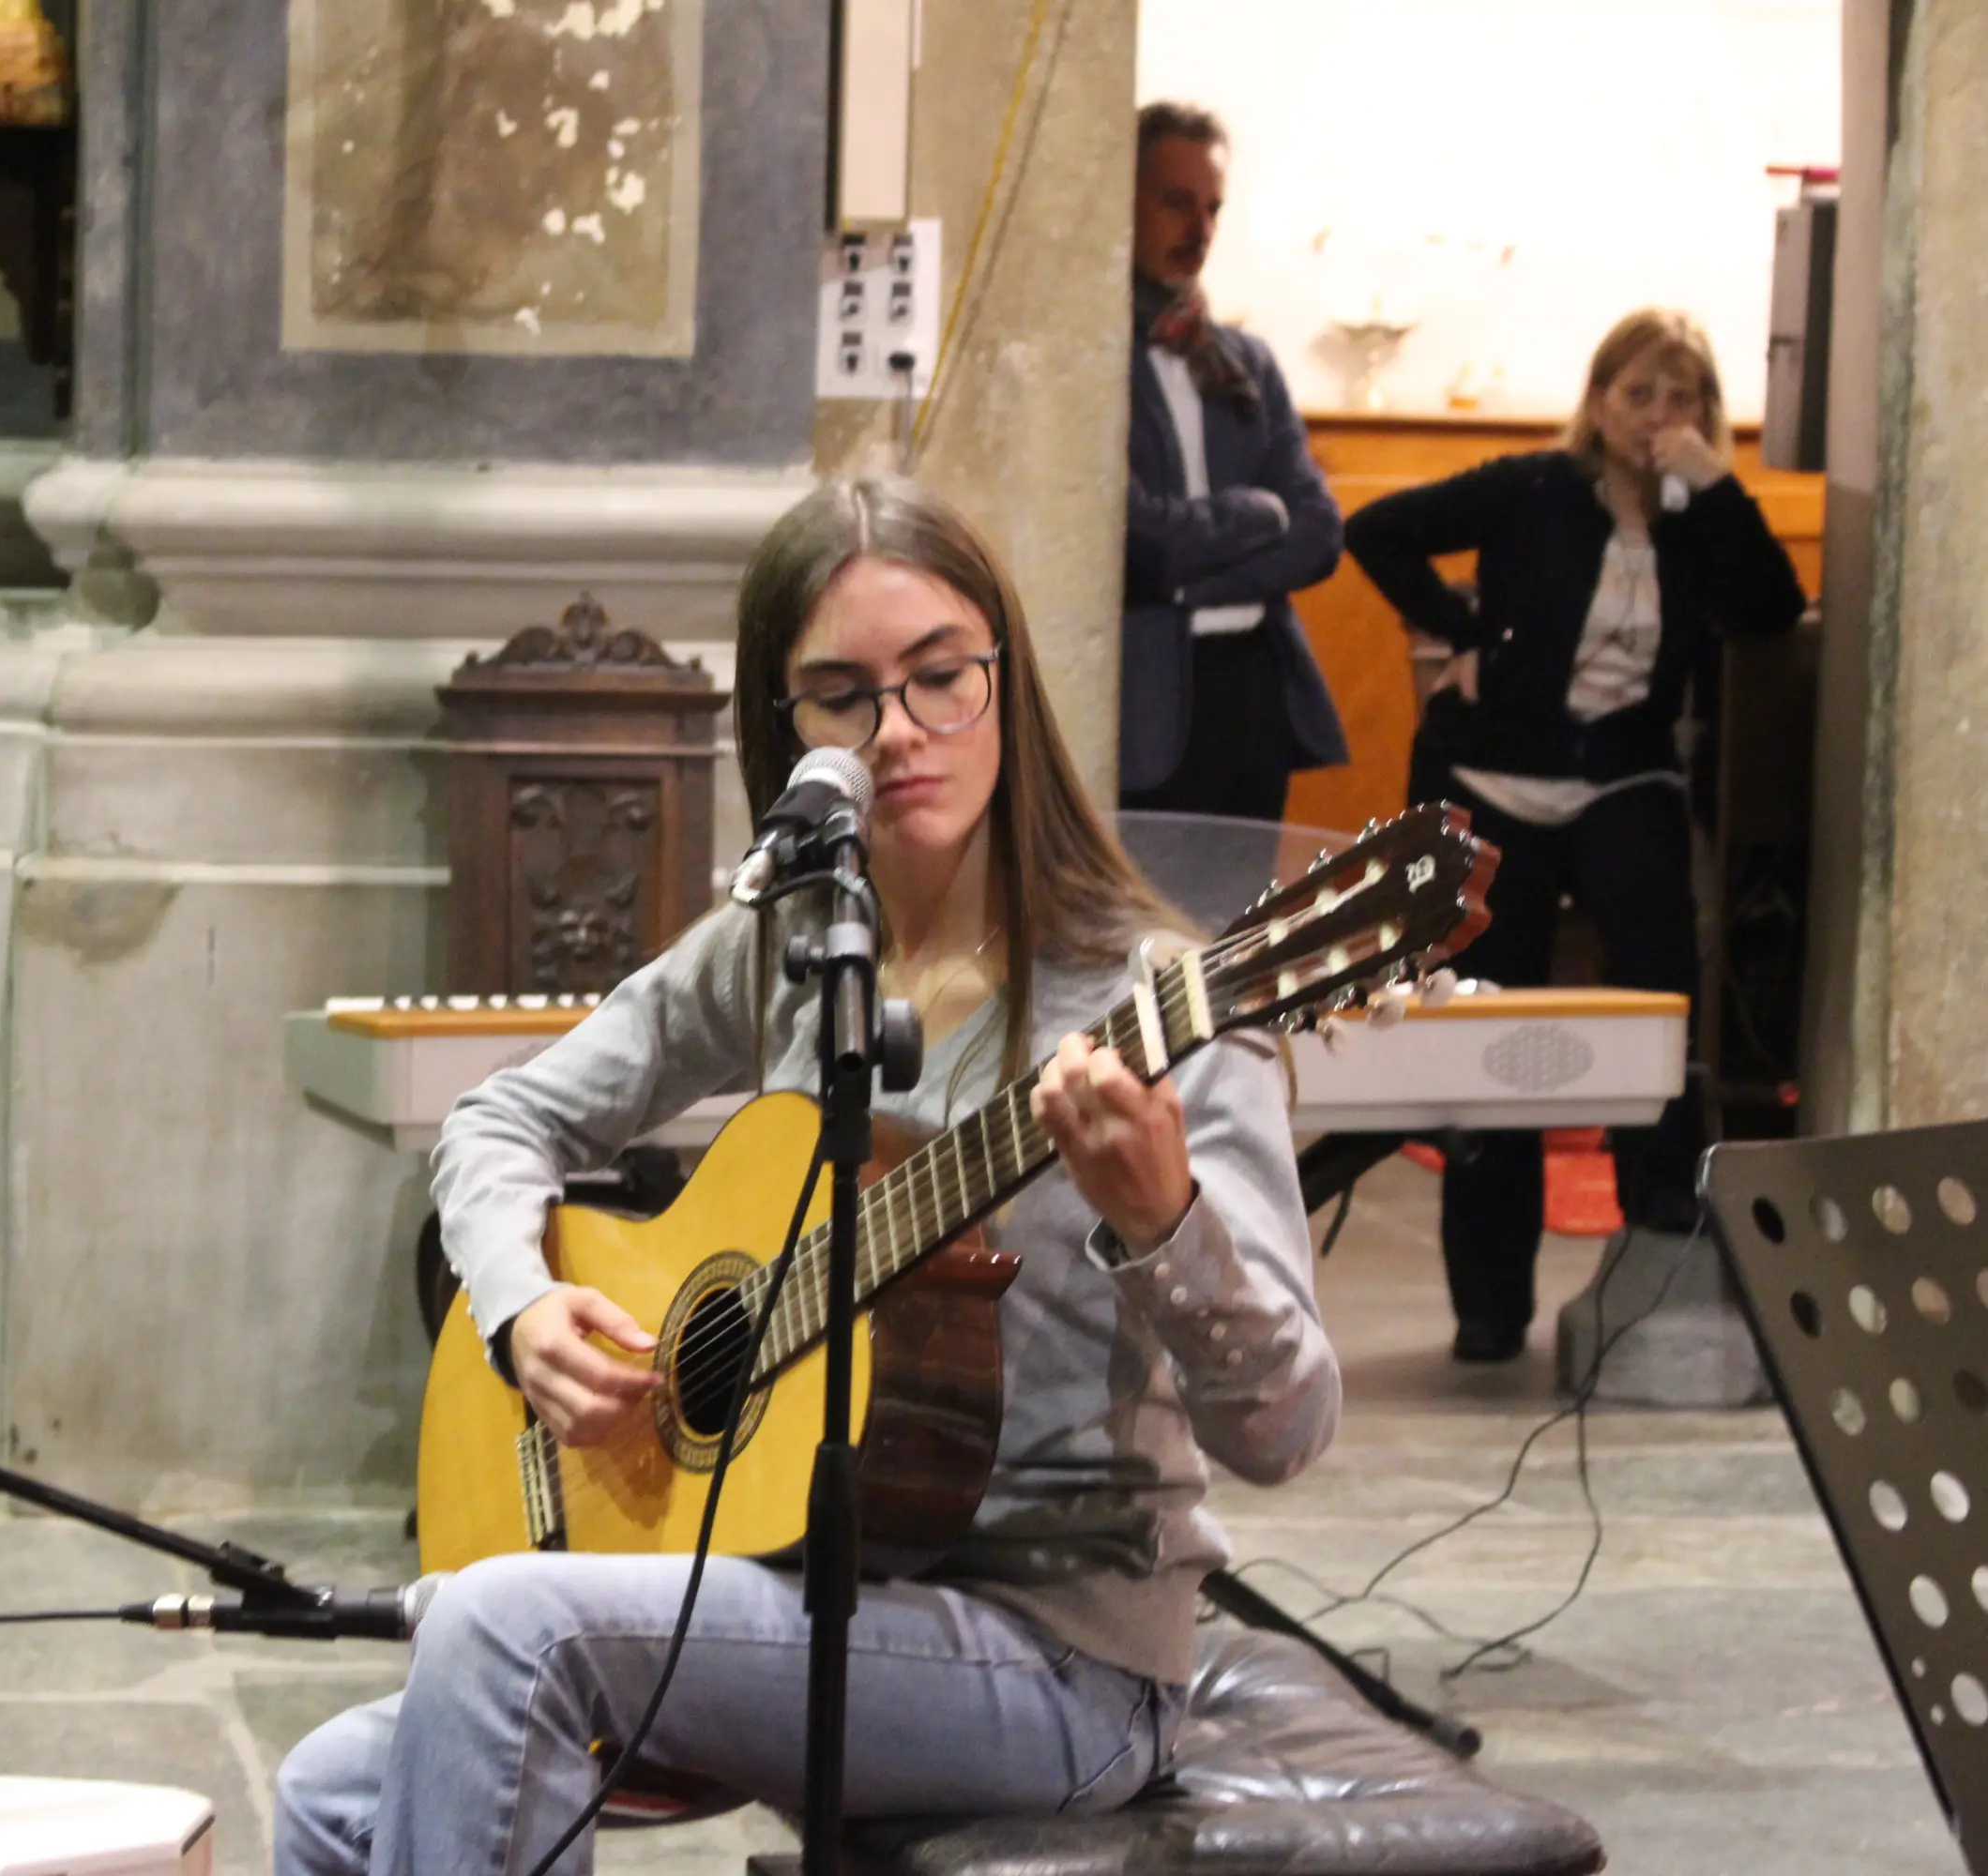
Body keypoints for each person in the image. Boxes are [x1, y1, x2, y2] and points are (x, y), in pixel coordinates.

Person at [275, 479, 1339, 1875]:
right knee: (329, 1787)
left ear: (1004, 681)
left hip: (1058, 1657)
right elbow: (498, 1122)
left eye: (939, 677)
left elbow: (1289, 1426)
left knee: (505, 1628)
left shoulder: (1155, 1007)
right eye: (840, 697)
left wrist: (1166, 1220)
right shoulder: (791, 942)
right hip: (812, 1585)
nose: (897, 733)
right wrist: (524, 1310)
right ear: (782, 737)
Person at [1343, 309, 1807, 1364]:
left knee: (1654, 980)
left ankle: (1658, 1236)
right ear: (1596, 404)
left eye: (1679, 394)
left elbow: (1772, 609)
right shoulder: (1532, 488)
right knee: (1491, 1027)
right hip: (1495, 771)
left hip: (1620, 775)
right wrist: (1462, 633)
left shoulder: (1698, 513)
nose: (1656, 415)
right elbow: (1372, 532)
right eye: (1636, 392)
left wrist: (1719, 486)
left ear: (1706, 411)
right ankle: (1490, 1305)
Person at [1118, 101, 1348, 821]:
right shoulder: (1092, 363)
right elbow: (1136, 541)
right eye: (1177, 203)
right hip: (1146, 696)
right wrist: (1255, 515)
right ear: (1123, 202)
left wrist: (1193, 588)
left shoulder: (1243, 363)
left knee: (1249, 925)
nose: (1200, 231)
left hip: (1254, 687)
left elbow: (1317, 532)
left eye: (1212, 209)